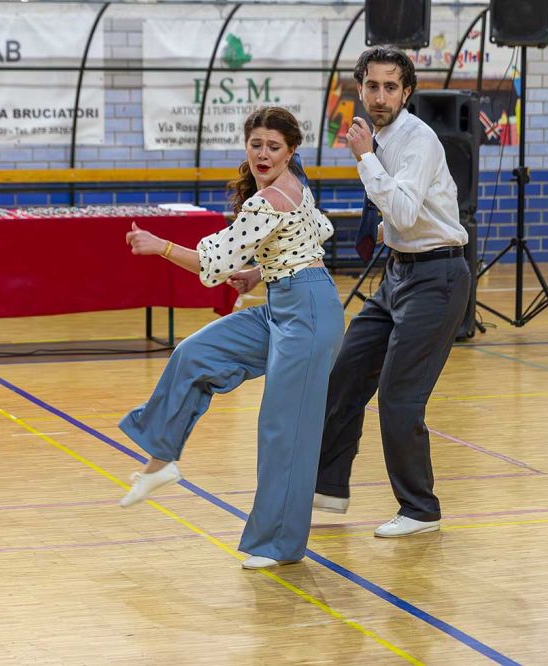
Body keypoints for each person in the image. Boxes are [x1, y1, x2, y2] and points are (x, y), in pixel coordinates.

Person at [117, 106, 344, 570]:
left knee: (284, 430)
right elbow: (314, 234)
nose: (263, 154)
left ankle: (278, 545)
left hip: (309, 314)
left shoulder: (270, 199)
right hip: (282, 303)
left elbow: (212, 263)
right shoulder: (291, 185)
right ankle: (161, 461)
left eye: (274, 147)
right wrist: (260, 273)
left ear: (290, 151)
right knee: (195, 353)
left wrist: (160, 247)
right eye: (256, 144)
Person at [312, 47, 471, 537]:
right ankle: (328, 488)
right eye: (372, 86)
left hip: (437, 278)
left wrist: (364, 159)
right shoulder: (381, 138)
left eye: (390, 87)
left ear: (407, 92)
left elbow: (401, 209)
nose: (380, 96)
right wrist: (389, 230)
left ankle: (420, 510)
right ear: (360, 89)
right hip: (399, 274)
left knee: (400, 397)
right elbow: (405, 215)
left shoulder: (417, 139)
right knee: (345, 374)